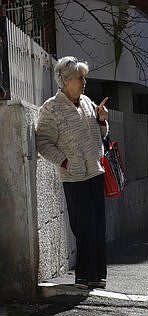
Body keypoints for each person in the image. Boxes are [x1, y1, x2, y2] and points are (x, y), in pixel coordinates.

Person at [36, 56, 110, 290]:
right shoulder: (52, 107)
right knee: (83, 225)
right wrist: (65, 162)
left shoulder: (87, 102)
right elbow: (43, 142)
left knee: (98, 224)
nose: (84, 81)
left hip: (95, 172)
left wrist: (101, 120)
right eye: (80, 77)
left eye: (84, 77)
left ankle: (97, 274)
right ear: (65, 80)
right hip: (74, 176)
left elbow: (103, 136)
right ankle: (83, 275)